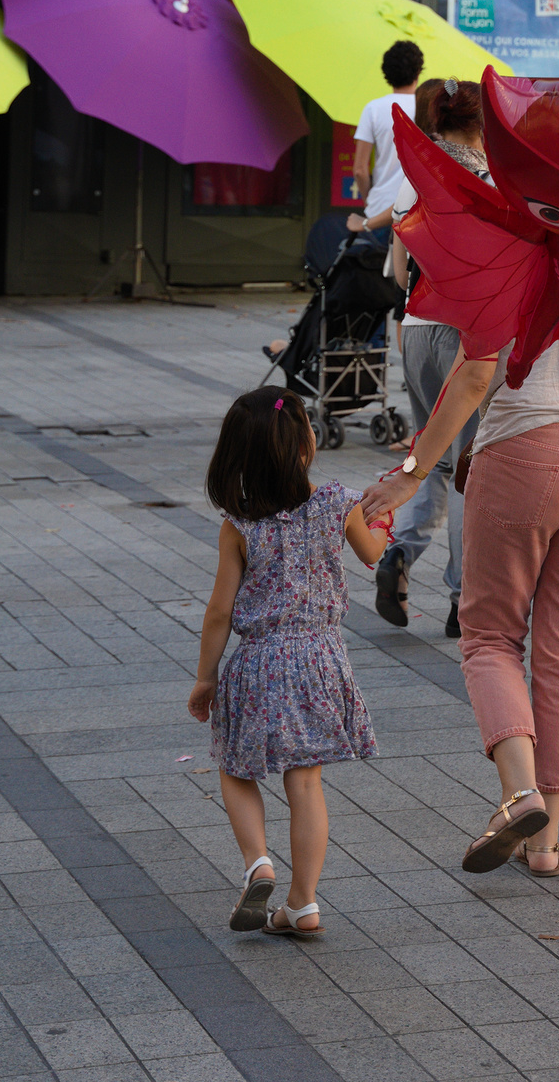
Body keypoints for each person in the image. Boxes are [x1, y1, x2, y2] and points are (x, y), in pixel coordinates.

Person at [361, 336, 559, 876]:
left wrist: (410, 474)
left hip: (520, 450)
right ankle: (546, 843)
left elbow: (475, 378)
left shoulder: (506, 260)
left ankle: (519, 793)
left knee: (491, 637)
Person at [188, 387, 388, 938]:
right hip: (321, 658)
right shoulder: (336, 503)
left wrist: (206, 677)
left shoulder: (239, 525)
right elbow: (373, 553)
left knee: (236, 766)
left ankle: (258, 863)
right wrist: (383, 520)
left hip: (256, 662)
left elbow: (218, 613)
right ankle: (302, 903)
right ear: (306, 445)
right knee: (306, 784)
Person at [374, 80, 488, 640]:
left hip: (414, 331)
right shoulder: (490, 181)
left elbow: (399, 276)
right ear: (483, 125)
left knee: (431, 454)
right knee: (468, 467)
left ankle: (399, 554)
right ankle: (463, 598)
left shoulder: (410, 176)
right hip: (464, 336)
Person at [345, 41, 424, 249]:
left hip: (378, 212)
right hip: (415, 212)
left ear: (386, 73)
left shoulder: (373, 109)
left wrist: (369, 202)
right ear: (418, 71)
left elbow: (360, 170)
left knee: (376, 277)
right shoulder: (426, 108)